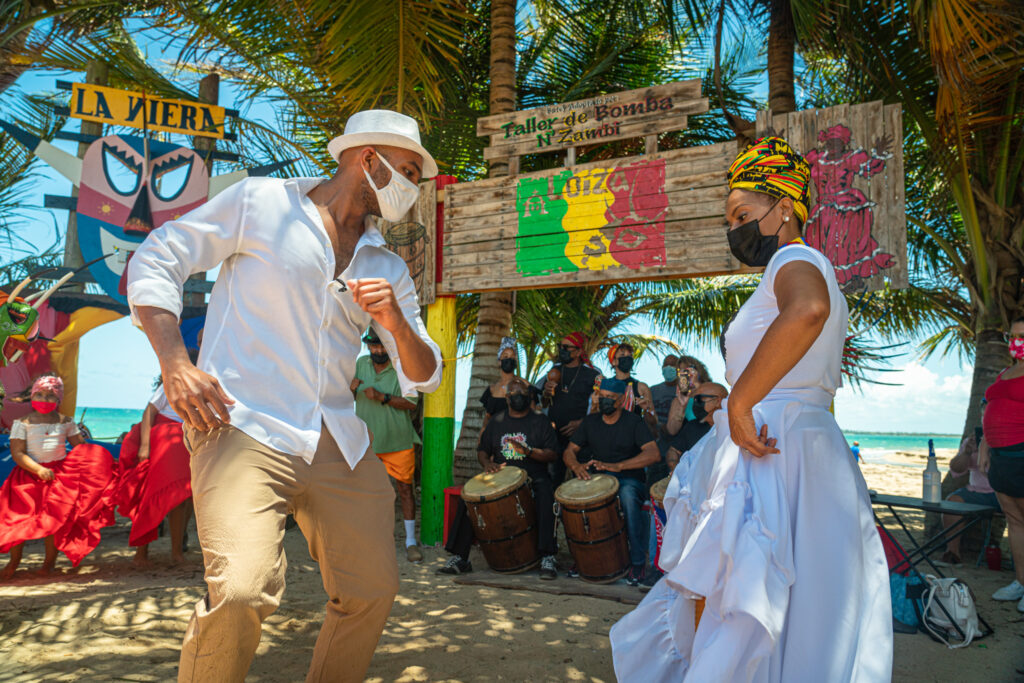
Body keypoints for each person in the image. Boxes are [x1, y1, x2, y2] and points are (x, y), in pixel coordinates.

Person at [127, 109, 442, 682]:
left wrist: (395, 322)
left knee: (373, 589)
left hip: (336, 440)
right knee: (243, 591)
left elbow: (424, 376)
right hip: (242, 424)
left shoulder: (388, 266)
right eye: (405, 172)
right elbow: (159, 255)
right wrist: (174, 361)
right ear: (366, 160)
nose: (410, 189)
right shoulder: (259, 203)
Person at [610, 137, 892, 681]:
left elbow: (808, 309)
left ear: (783, 206)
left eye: (742, 213)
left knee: (737, 607)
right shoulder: (796, 264)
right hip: (800, 449)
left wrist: (739, 402)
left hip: (770, 449)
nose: (735, 228)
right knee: (801, 613)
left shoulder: (794, 256)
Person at [439, 378, 560, 580]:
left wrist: (529, 452)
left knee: (546, 493)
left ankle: (548, 556)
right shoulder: (497, 422)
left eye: (522, 393)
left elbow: (553, 454)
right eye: (513, 394)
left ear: (530, 395)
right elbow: (482, 451)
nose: (518, 397)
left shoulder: (540, 421)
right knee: (469, 498)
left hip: (532, 475)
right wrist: (487, 464)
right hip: (500, 476)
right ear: (507, 398)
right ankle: (460, 557)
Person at [0, 375, 116, 578]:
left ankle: (48, 564)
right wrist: (38, 469)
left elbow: (82, 447)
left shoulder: (66, 422)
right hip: (26, 478)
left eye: (50, 396)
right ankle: (14, 562)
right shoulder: (22, 423)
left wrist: (102, 463)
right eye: (40, 395)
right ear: (32, 395)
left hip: (58, 477)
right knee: (17, 520)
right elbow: (17, 453)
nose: (45, 400)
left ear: (59, 400)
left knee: (53, 521)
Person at [564, 378, 659, 586]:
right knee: (575, 500)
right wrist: (576, 466)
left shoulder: (633, 422)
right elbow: (570, 451)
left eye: (610, 398)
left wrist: (619, 466)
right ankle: (583, 559)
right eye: (603, 397)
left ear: (621, 399)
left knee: (627, 497)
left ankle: (636, 562)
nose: (605, 401)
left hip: (628, 478)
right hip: (599, 477)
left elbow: (653, 454)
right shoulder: (590, 422)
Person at [116, 354, 197, 567]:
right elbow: (149, 412)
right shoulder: (172, 383)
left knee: (182, 499)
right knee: (153, 496)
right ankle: (143, 553)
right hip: (164, 441)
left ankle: (176, 551)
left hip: (185, 442)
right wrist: (144, 445)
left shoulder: (203, 386)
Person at [352, 327, 423, 564]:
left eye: (382, 346)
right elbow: (344, 395)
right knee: (366, 492)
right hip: (367, 442)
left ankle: (411, 542)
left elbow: (412, 403)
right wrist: (350, 390)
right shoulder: (360, 363)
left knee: (405, 490)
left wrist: (383, 397)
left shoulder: (403, 367)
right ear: (368, 346)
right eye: (374, 346)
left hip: (398, 441)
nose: (378, 350)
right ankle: (369, 540)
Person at [981, 316, 1024, 612]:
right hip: (1000, 458)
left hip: (1021, 454)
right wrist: (984, 446)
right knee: (1015, 521)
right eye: (1014, 335)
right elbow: (989, 412)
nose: (1016, 342)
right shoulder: (1007, 371)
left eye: (1023, 336)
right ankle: (1020, 582)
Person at [938, 400, 1000, 567]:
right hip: (977, 492)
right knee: (952, 502)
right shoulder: (972, 441)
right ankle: (952, 554)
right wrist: (967, 453)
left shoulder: (1010, 440)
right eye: (984, 415)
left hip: (1005, 492)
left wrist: (988, 452)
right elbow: (956, 471)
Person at [540, 332, 602, 485]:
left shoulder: (592, 374)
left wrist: (581, 423)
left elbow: (600, 406)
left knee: (583, 480)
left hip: (581, 438)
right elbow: (543, 403)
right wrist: (546, 394)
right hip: (554, 437)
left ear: (579, 351)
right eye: (560, 346)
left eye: (566, 347)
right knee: (554, 481)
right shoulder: (553, 371)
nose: (562, 350)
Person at [664, 382, 728, 472]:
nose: (696, 403)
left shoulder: (732, 427)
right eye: (694, 399)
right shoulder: (693, 426)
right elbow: (673, 451)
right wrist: (674, 465)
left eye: (700, 399)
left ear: (717, 401)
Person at [480, 336, 536, 428]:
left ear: (516, 361)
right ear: (499, 361)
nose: (509, 359)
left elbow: (533, 415)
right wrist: (482, 435)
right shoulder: (492, 389)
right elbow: (488, 417)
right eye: (505, 356)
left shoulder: (525, 385)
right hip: (496, 436)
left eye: (512, 357)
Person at [605, 343, 657, 433]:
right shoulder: (606, 386)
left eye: (630, 355)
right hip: (610, 434)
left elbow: (654, 421)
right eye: (622, 355)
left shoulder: (642, 387)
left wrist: (646, 409)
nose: (627, 358)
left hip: (634, 435)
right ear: (613, 362)